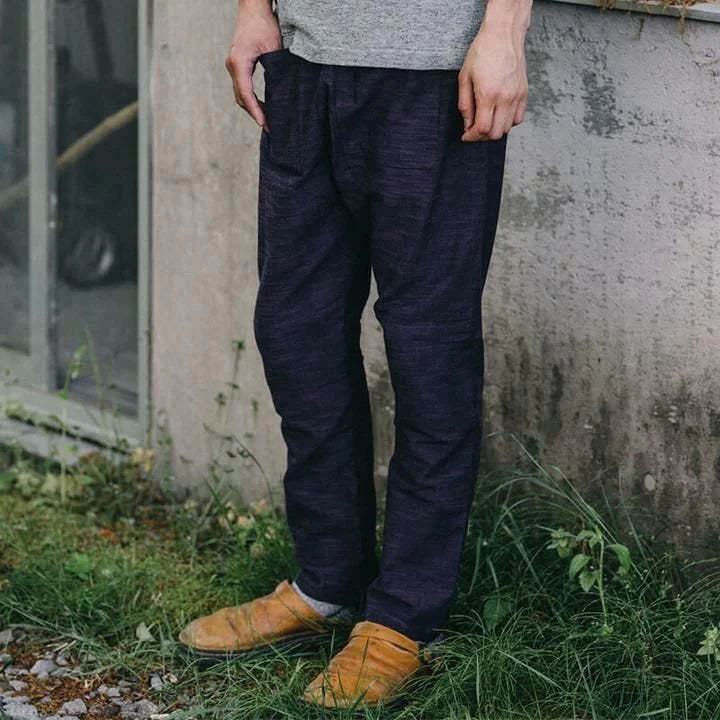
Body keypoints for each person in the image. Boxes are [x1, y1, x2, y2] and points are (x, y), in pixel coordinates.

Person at [180, 0, 532, 709]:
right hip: (305, 67)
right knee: (296, 331)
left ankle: (403, 618)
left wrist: (503, 31)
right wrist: (254, 11)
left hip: (434, 76)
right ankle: (327, 584)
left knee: (428, 348)